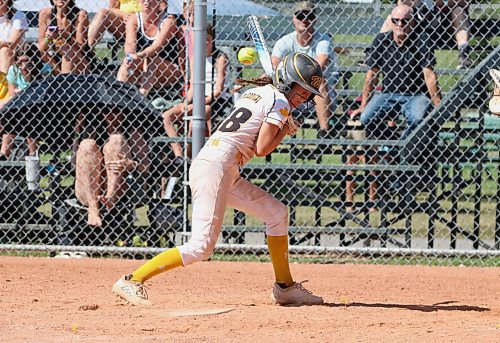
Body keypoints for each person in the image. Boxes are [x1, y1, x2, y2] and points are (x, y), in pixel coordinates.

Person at [112, 52, 325, 306]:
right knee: (201, 246)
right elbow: (262, 148)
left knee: (276, 213)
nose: (304, 99)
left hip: (222, 166)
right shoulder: (279, 102)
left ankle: (285, 287)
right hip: (218, 166)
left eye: (308, 95)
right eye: (300, 92)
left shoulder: (262, 94)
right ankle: (132, 279)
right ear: (285, 82)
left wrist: (284, 117)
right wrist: (286, 129)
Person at [350, 4, 441, 140]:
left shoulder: (422, 40)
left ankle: (403, 148)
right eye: (395, 20)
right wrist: (363, 105)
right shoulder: (381, 40)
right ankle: (394, 144)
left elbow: (429, 75)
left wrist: (438, 105)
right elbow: (372, 75)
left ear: (413, 22)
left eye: (405, 21)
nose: (400, 24)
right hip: (388, 93)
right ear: (391, 22)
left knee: (417, 119)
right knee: (366, 118)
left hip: (416, 94)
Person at [162, 22, 228, 159]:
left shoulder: (220, 58)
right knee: (167, 116)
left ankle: (193, 158)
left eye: (207, 39)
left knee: (196, 119)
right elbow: (193, 85)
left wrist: (203, 101)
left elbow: (219, 89)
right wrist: (186, 102)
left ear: (212, 40)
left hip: (215, 99)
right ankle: (179, 155)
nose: (204, 43)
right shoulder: (194, 59)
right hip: (198, 98)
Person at [271, 1, 337, 137]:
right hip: (292, 91)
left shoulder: (323, 41)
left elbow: (320, 64)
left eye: (310, 16)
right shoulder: (285, 41)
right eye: (300, 16)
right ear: (294, 19)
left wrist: (291, 71)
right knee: (272, 82)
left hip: (318, 96)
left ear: (315, 19)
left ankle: (324, 132)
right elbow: (274, 65)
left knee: (320, 82)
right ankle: (274, 130)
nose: (305, 20)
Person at [75, 109, 149, 228]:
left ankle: (109, 197)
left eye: (116, 110)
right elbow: (74, 165)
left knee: (116, 140)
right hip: (87, 191)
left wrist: (130, 164)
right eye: (106, 110)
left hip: (119, 190)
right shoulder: (90, 126)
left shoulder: (132, 130)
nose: (111, 113)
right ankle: (93, 208)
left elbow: (145, 166)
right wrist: (78, 128)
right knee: (87, 144)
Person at [116, 0, 183, 96]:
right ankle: (119, 95)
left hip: (169, 70)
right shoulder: (133, 19)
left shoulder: (168, 21)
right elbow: (130, 44)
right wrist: (131, 56)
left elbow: (156, 47)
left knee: (152, 58)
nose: (147, 1)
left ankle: (142, 97)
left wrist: (139, 55)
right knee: (127, 59)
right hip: (143, 67)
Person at [379, 0, 471, 69]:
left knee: (459, 10)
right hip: (417, 24)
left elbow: (464, 3)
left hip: (447, 25)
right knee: (393, 16)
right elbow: (400, 3)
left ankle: (464, 53)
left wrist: (440, 2)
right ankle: (375, 51)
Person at [0, 44, 47, 160]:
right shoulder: (14, 70)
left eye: (28, 62)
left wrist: (24, 94)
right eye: (20, 62)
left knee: (29, 118)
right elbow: (12, 95)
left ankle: (33, 155)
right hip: (19, 106)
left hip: (40, 108)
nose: (24, 67)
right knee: (9, 114)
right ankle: (4, 153)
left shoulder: (44, 70)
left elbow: (45, 95)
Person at [38, 0, 92, 74]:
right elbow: (41, 47)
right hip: (55, 60)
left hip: (78, 59)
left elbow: (80, 47)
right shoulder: (45, 13)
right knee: (40, 52)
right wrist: (48, 38)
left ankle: (65, 83)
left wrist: (64, 36)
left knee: (67, 51)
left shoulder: (80, 14)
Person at [0, 0, 28, 108]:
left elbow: (12, 43)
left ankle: (4, 89)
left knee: (5, 51)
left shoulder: (18, 16)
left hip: (14, 54)